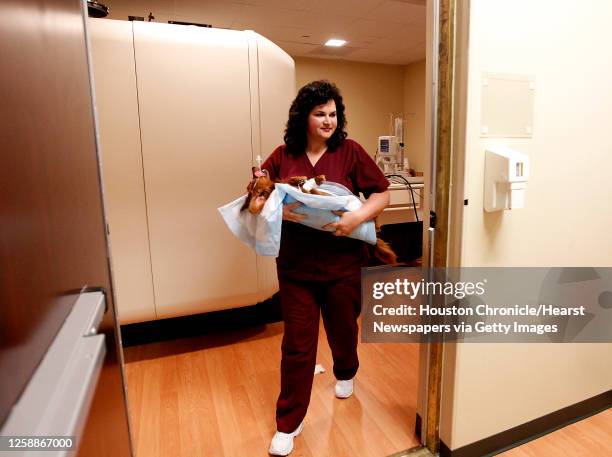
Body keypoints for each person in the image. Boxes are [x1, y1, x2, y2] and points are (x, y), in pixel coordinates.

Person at [263, 80, 390, 456]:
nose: (328, 121)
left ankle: (346, 371)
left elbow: (382, 192)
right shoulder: (284, 155)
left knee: (343, 331)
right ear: (303, 116)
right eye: (320, 113)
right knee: (298, 347)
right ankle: (289, 422)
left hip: (342, 267)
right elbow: (261, 191)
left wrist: (356, 220)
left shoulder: (350, 152)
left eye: (333, 114)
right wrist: (278, 208)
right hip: (296, 268)